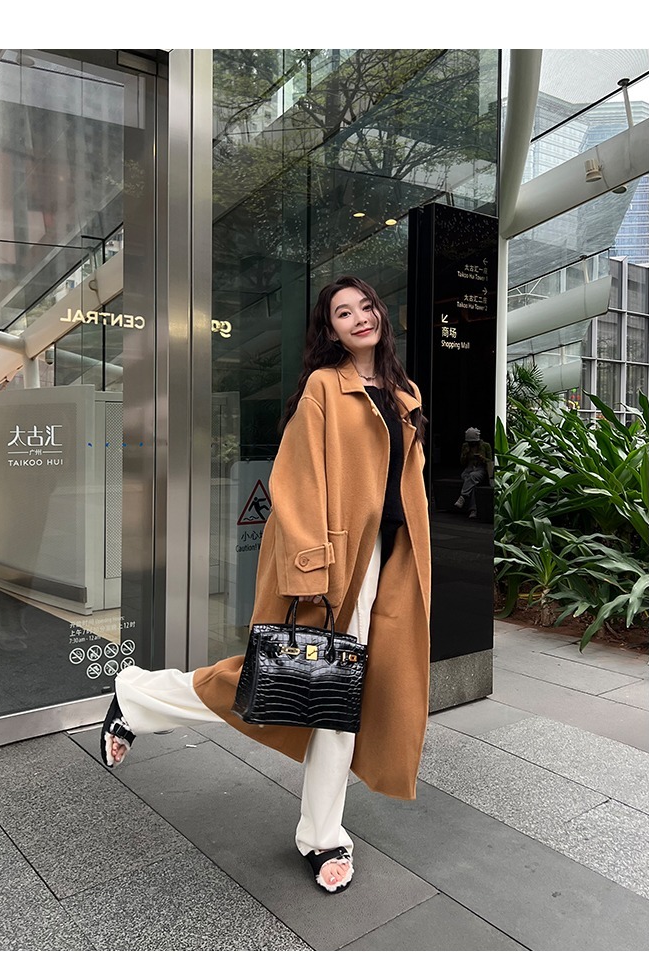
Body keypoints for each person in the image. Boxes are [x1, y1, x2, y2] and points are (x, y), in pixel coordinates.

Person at [100, 275, 431, 895]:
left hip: (391, 562)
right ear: (329, 329)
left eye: (366, 307)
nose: (359, 318)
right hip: (337, 563)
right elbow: (295, 481)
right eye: (343, 313)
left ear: (381, 315)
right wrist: (311, 568)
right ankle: (321, 833)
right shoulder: (325, 386)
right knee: (310, 686)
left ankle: (141, 699)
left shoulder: (403, 392)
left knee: (343, 694)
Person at [453, 426, 493, 519]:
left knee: (472, 476)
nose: (472, 444)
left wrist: (482, 458)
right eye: (470, 442)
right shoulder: (465, 446)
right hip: (469, 468)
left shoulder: (486, 446)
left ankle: (463, 496)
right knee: (471, 483)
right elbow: (462, 462)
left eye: (473, 442)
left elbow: (490, 461)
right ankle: (473, 510)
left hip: (480, 469)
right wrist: (465, 454)